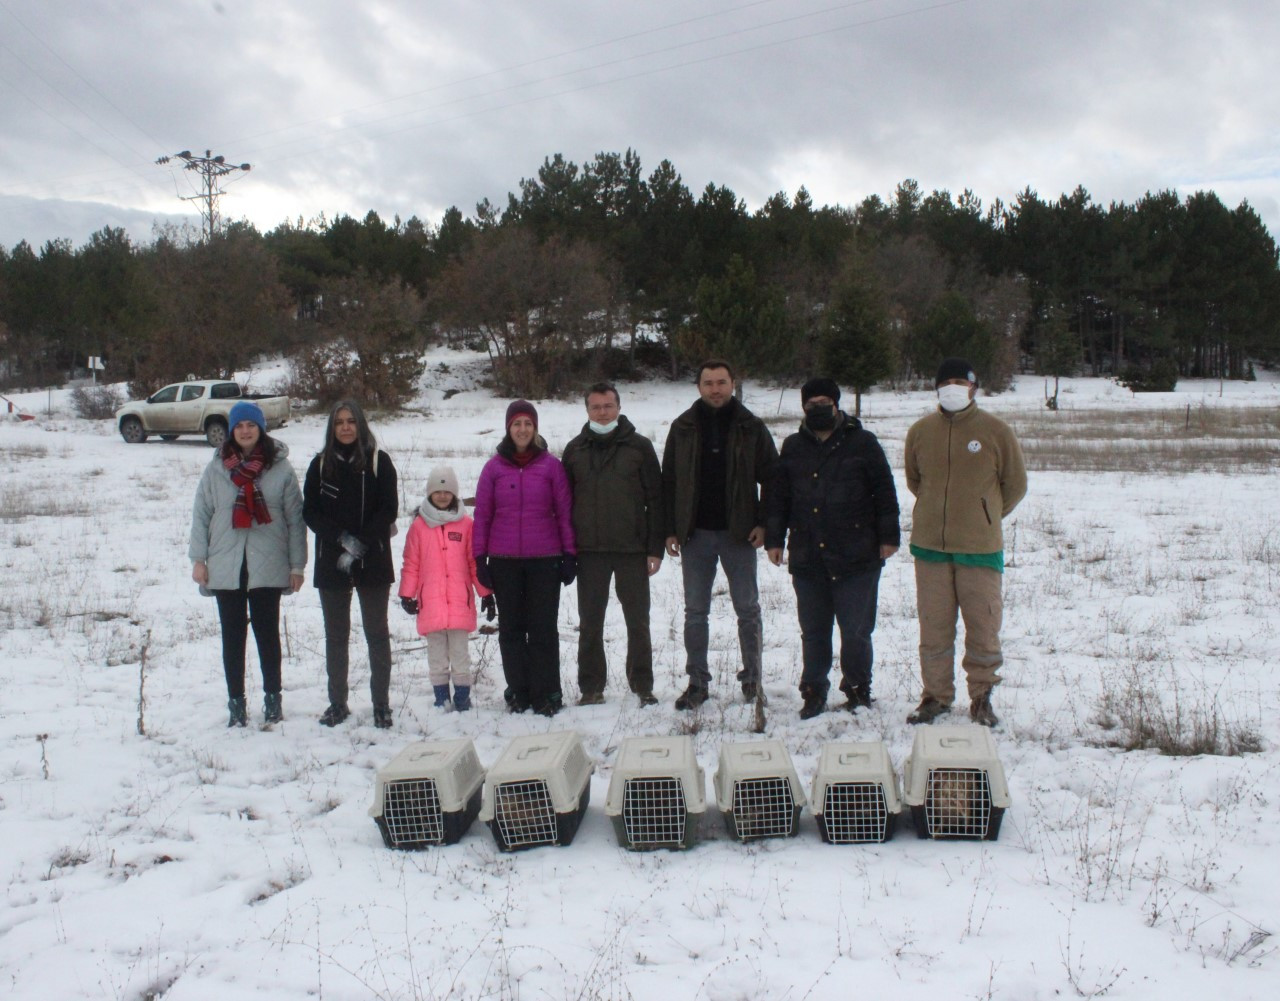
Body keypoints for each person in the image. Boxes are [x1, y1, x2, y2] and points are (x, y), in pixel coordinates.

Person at [766, 378, 900, 719]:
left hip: (857, 553)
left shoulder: (863, 443)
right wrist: (774, 539)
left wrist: (889, 537)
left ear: (837, 405)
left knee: (855, 630)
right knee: (814, 631)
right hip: (808, 553)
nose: (818, 408)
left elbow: (885, 492)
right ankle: (813, 691)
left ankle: (857, 689)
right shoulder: (794, 445)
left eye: (825, 402)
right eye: (811, 404)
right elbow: (780, 497)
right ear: (803, 408)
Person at [904, 358, 1027, 727]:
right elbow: (915, 480)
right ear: (937, 388)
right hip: (930, 548)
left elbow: (1015, 485)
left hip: (980, 549)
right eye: (947, 382)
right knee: (934, 628)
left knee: (983, 627)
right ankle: (935, 697)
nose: (954, 387)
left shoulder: (996, 431)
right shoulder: (921, 431)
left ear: (974, 387)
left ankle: (982, 697)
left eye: (961, 381)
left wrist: (983, 515)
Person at [662, 360, 778, 710]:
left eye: (722, 382)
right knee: (695, 612)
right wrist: (670, 528)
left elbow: (772, 477)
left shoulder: (750, 427)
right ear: (698, 387)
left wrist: (764, 523)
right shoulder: (683, 427)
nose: (716, 389)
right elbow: (669, 481)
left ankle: (752, 680)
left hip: (739, 534)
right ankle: (697, 682)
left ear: (733, 384)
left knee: (748, 610)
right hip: (695, 534)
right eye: (709, 383)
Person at [190, 400, 306, 727]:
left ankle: (273, 698)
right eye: (239, 426)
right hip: (226, 564)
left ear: (260, 429)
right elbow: (202, 515)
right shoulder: (216, 469)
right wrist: (199, 560)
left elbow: (295, 520)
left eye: (251, 425)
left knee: (268, 635)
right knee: (233, 637)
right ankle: (236, 702)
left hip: (268, 564)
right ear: (232, 431)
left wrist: (297, 566)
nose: (245, 431)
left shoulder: (280, 469)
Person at [561, 382, 663, 707]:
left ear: (618, 407)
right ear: (587, 410)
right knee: (590, 622)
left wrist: (654, 548)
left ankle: (642, 685)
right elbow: (563, 504)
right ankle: (591, 687)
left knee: (638, 620)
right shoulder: (575, 450)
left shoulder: (640, 447)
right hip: (589, 552)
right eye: (596, 406)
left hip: (631, 549)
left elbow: (656, 499)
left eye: (608, 405)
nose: (602, 412)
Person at [473, 400, 576, 716]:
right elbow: (483, 515)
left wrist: (569, 553)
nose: (522, 429)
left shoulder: (551, 466)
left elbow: (564, 513)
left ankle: (547, 692)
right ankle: (518, 690)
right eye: (516, 424)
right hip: (504, 561)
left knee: (543, 628)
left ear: (535, 428)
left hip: (544, 559)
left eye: (528, 424)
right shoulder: (493, 468)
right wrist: (480, 558)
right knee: (512, 629)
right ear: (508, 428)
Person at [302, 400, 399, 728]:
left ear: (361, 425)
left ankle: (381, 703)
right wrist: (341, 538)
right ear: (332, 428)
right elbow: (310, 512)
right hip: (332, 561)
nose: (345, 427)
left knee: (376, 633)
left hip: (373, 560)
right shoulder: (319, 465)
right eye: (339, 422)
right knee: (336, 635)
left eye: (351, 422)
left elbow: (389, 509)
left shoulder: (378, 462)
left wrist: (362, 542)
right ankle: (337, 702)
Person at [398, 466, 493, 712]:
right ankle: (441, 698)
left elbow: (474, 562)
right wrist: (406, 593)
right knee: (437, 656)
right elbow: (411, 563)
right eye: (437, 491)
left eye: (447, 491)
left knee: (460, 655)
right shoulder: (419, 527)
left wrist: (485, 592)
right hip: (430, 603)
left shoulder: (466, 525)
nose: (442, 496)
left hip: (460, 602)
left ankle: (462, 698)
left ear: (454, 494)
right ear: (430, 493)